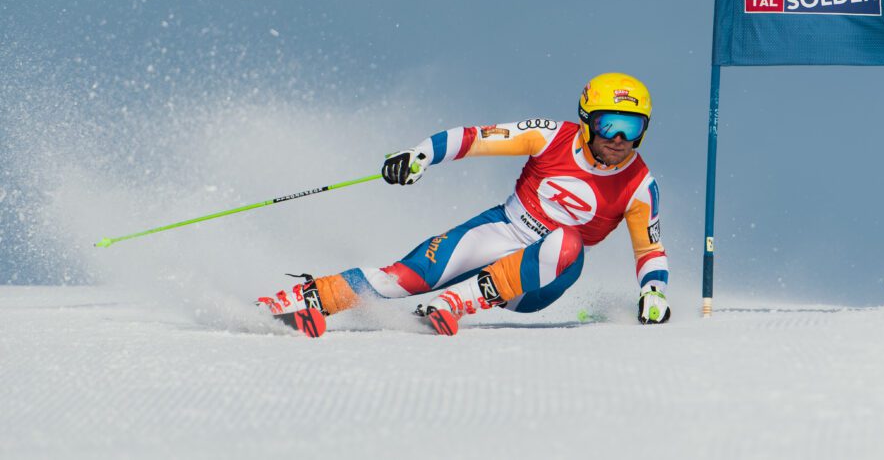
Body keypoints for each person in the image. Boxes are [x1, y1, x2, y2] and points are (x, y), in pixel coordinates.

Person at [257, 72, 670, 336]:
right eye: (609, 125)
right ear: (586, 121)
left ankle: (456, 302)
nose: (619, 139)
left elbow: (649, 249)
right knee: (405, 277)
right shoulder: (551, 136)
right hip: (500, 229)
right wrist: (420, 155)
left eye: (631, 127)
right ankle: (298, 302)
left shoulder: (639, 185)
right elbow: (476, 138)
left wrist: (654, 292)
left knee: (568, 243)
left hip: (538, 281)